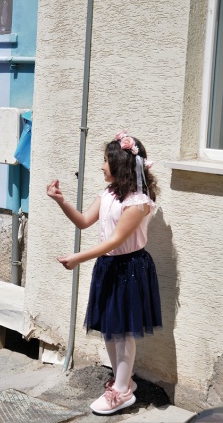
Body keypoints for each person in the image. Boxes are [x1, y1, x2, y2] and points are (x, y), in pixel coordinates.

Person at [46, 130, 162, 415]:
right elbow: (84, 221)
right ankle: (124, 381)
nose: (101, 166)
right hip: (108, 266)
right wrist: (61, 200)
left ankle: (122, 392)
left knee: (123, 333)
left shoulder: (138, 202)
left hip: (129, 268)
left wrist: (78, 258)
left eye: (106, 161)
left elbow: (114, 241)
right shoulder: (109, 194)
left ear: (120, 164)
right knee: (110, 330)